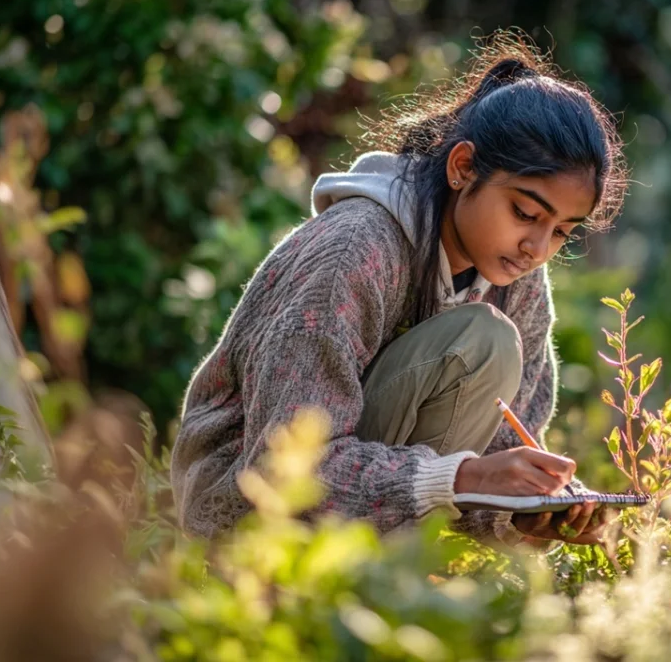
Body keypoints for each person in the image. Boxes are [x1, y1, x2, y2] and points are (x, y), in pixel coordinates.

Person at [170, 36, 627, 549]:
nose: (537, 247)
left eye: (563, 231)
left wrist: (526, 508)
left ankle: (394, 585)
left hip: (365, 524)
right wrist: (469, 480)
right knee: (482, 340)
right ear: (462, 168)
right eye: (525, 213)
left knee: (489, 342)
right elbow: (285, 466)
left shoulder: (518, 281)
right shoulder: (354, 251)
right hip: (245, 515)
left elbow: (493, 456)